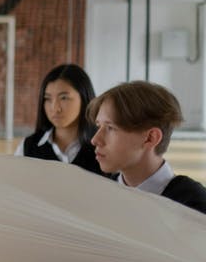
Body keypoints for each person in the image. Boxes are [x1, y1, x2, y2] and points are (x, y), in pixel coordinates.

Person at [88, 80, 206, 213]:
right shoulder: (99, 194)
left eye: (110, 128)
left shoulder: (195, 205)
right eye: (98, 126)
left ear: (151, 138)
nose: (95, 139)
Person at [14, 64, 106, 177]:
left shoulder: (103, 146)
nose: (55, 108)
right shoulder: (28, 147)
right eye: (47, 99)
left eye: (64, 98)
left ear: (84, 97)